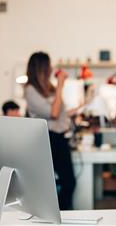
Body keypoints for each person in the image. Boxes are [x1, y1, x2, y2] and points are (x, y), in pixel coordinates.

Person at [24, 52, 76, 210]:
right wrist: (60, 85)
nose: (52, 68)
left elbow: (60, 113)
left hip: (59, 139)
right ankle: (56, 216)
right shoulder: (30, 90)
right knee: (55, 184)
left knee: (68, 182)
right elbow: (53, 113)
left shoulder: (49, 89)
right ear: (42, 68)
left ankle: (59, 215)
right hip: (46, 139)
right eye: (49, 65)